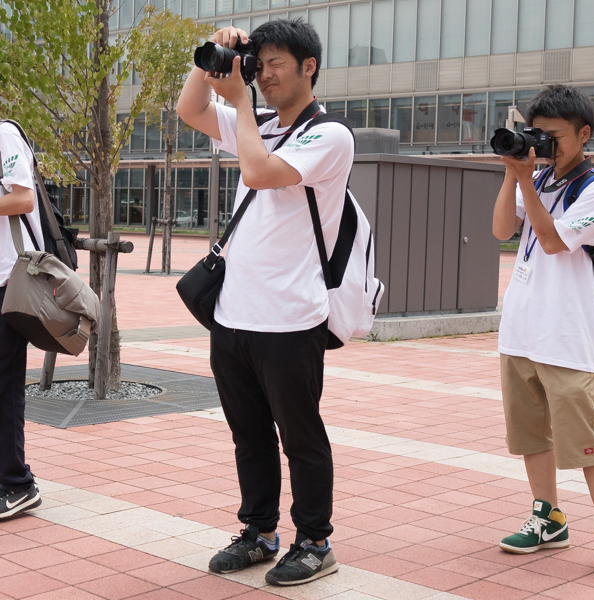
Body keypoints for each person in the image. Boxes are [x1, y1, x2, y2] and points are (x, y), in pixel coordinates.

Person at [176, 19, 353, 586]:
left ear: (310, 67)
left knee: (300, 437)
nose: (266, 72)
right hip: (233, 314)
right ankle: (259, 532)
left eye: (278, 62)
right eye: (261, 60)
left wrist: (244, 104)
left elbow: (258, 171)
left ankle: (314, 540)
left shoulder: (330, 136)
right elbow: (190, 109)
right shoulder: (260, 124)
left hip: (291, 319)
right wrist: (214, 59)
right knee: (248, 435)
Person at [491, 85, 594, 582]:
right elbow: (501, 228)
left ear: (584, 133)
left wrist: (528, 180)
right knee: (532, 434)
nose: (544, 145)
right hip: (521, 330)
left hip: (566, 334)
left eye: (554, 137)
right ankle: (548, 517)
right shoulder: (540, 178)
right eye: (538, 134)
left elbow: (552, 242)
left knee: (586, 442)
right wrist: (514, 174)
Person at [0, 120, 44, 519]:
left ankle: (17, 484)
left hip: (11, 281)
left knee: (6, 383)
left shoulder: (4, 135)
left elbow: (23, 199)